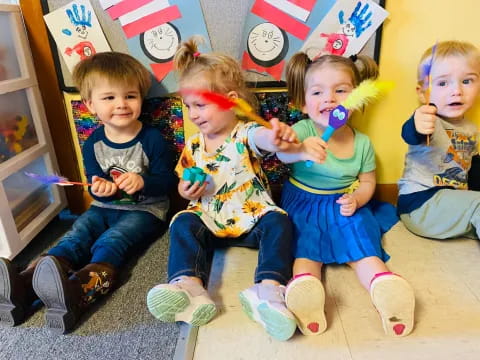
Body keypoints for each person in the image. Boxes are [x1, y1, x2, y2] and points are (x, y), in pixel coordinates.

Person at [0, 52, 176, 333]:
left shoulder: (152, 138)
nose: (121, 104)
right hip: (102, 208)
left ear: (141, 98)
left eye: (130, 96)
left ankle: (81, 289)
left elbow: (167, 180)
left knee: (113, 239)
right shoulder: (93, 141)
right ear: (90, 104)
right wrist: (103, 189)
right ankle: (28, 283)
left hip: (146, 210)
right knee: (77, 233)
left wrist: (144, 182)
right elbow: (94, 183)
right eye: (109, 98)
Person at [146, 37, 301, 341]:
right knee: (181, 222)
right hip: (210, 219)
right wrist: (187, 190)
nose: (193, 114)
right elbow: (182, 183)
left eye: (200, 105)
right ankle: (189, 286)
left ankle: (269, 289)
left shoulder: (244, 134)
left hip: (252, 219)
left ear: (231, 100)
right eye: (188, 106)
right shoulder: (193, 144)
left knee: (280, 222)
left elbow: (264, 140)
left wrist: (276, 136)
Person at [276, 52, 415, 337]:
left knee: (361, 239)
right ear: (304, 102)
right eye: (318, 92)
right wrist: (300, 150)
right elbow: (280, 153)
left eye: (341, 91)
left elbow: (367, 183)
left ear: (356, 99)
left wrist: (358, 200)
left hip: (343, 202)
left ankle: (383, 286)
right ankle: (307, 292)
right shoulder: (301, 130)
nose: (330, 99)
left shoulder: (362, 143)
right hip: (303, 202)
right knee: (305, 242)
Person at [398, 41, 480, 241]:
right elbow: (410, 134)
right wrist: (417, 123)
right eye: (443, 83)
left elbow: (474, 166)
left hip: (452, 202)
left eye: (467, 81)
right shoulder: (428, 118)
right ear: (422, 93)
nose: (457, 91)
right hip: (420, 203)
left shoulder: (471, 128)